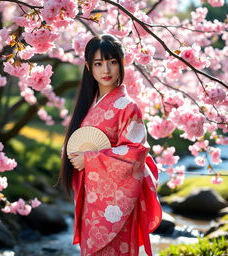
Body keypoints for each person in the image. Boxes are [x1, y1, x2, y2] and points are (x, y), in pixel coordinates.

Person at [60, 34, 162, 256]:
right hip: (91, 203)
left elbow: (134, 153)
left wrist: (89, 159)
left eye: (112, 62)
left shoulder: (128, 107)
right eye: (98, 64)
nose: (106, 70)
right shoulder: (88, 106)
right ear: (88, 67)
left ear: (121, 62)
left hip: (117, 205)